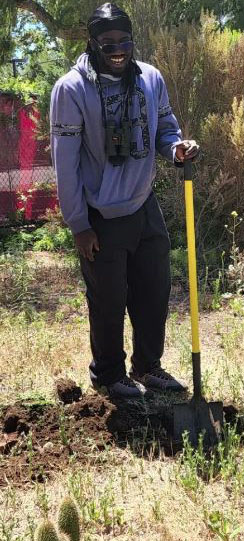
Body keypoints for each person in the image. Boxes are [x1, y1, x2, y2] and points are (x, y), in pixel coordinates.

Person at [50, 3, 199, 399]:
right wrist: (78, 223)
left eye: (124, 41)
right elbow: (64, 163)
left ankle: (148, 367)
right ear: (92, 42)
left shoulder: (150, 78)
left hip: (143, 203)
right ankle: (109, 375)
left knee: (154, 289)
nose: (117, 49)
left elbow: (166, 128)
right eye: (108, 42)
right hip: (100, 213)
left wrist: (176, 149)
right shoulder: (72, 89)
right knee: (108, 300)